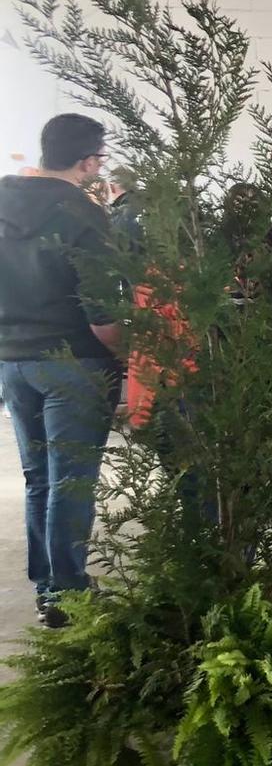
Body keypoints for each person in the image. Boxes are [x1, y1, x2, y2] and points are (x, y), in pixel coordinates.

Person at [0, 114, 124, 626]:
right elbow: (101, 312)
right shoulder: (83, 214)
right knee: (72, 480)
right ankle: (68, 591)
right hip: (74, 360)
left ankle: (48, 588)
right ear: (89, 161)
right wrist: (130, 355)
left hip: (12, 359)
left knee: (39, 479)